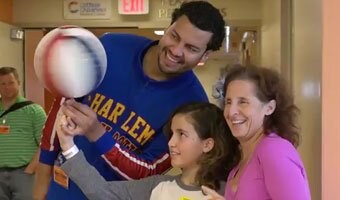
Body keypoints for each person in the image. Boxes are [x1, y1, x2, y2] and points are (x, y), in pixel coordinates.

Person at [33, 1, 226, 199]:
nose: (176, 51)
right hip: (60, 187)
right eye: (174, 36)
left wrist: (97, 133)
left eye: (191, 48)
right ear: (168, 27)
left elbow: (149, 170)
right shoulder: (111, 46)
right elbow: (64, 104)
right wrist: (43, 172)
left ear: (206, 54)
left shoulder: (193, 104)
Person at [57, 102, 240, 200]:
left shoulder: (230, 192)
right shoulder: (157, 186)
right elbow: (102, 193)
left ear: (207, 144)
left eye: (182, 134)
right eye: (171, 134)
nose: (171, 143)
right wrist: (67, 144)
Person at [203, 65, 311, 200]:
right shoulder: (240, 161)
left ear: (269, 108)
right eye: (228, 102)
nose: (231, 112)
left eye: (243, 102)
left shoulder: (274, 150)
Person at [0, 66, 46, 200]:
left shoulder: (34, 111)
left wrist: (30, 169)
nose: (6, 87)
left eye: (10, 83)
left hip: (24, 174)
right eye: (2, 84)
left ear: (18, 83)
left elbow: (45, 144)